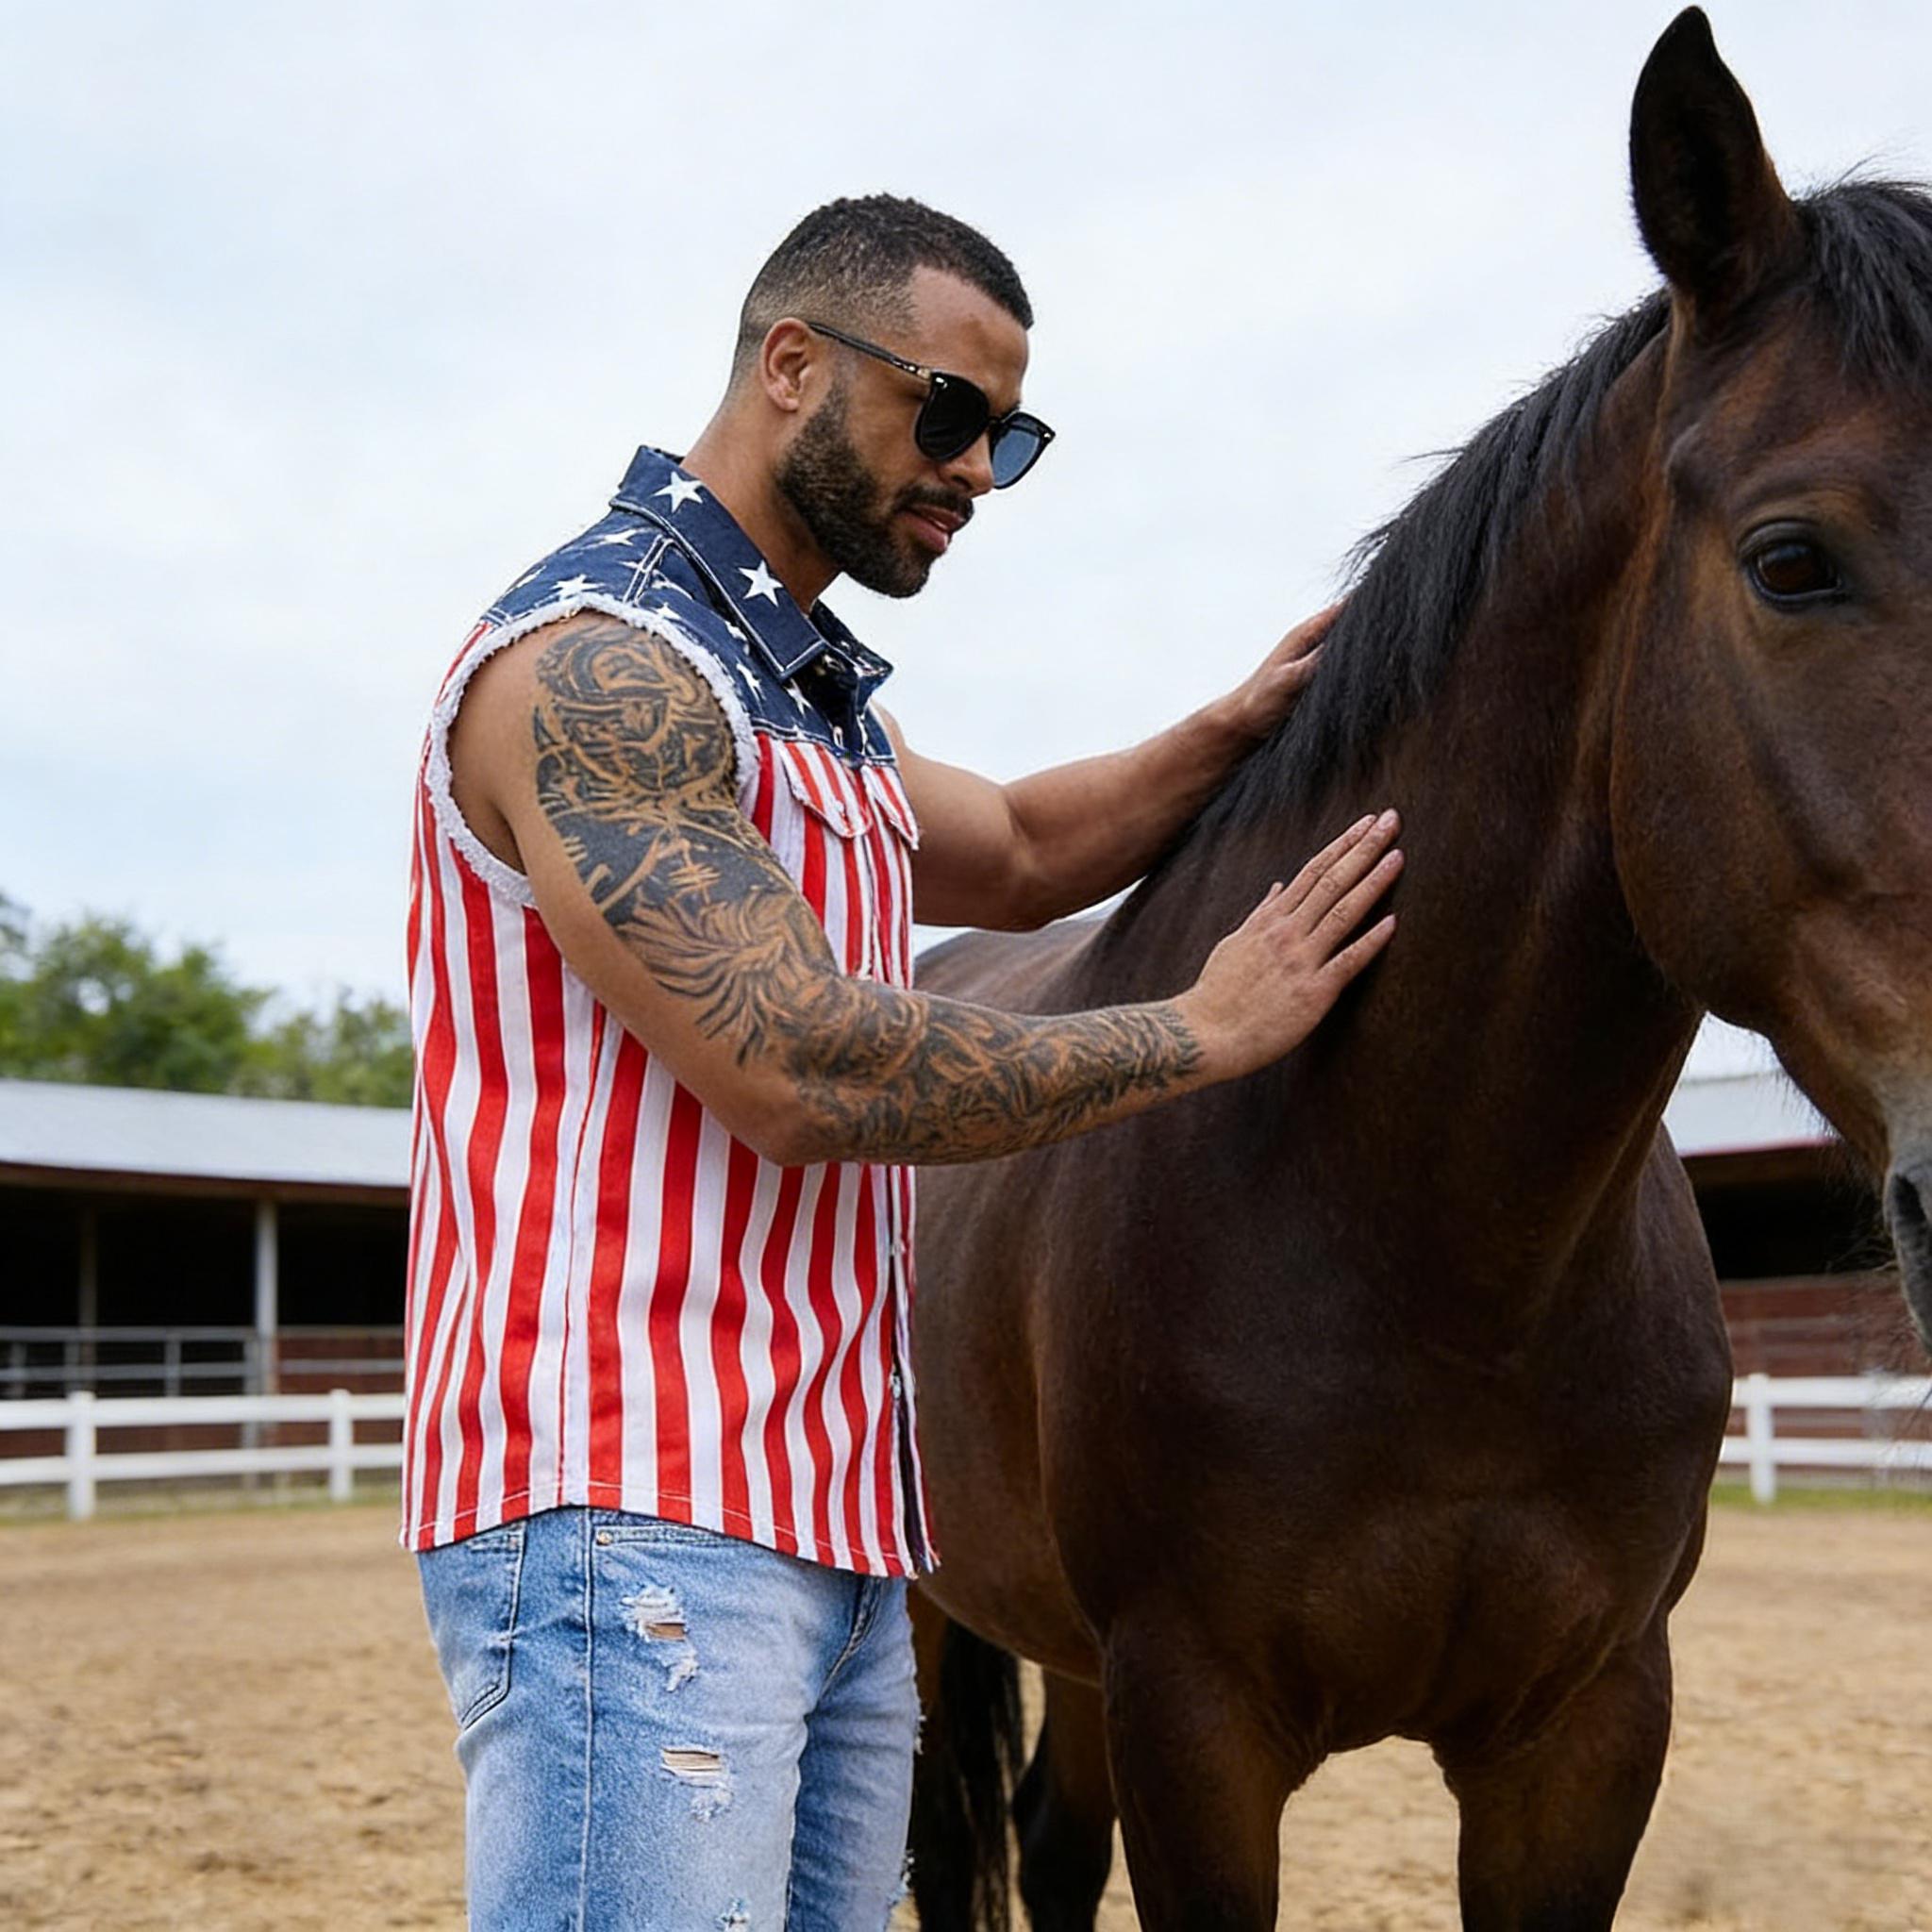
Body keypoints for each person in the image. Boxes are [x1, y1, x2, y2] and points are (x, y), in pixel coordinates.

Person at [404, 193, 1402, 1928]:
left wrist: (1233, 727)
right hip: (628, 1511)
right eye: (947, 414)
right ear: (792, 364)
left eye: (1008, 435)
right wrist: (1202, 1030)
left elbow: (1013, 843)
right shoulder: (603, 665)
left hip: (842, 1514)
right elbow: (799, 1069)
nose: (977, 473)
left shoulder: (804, 693)